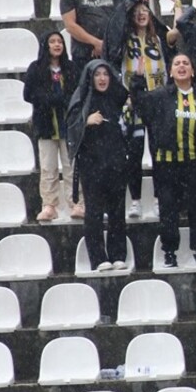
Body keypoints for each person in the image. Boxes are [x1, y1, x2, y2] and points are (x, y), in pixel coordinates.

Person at [130, 52, 196, 268]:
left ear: (193, 70)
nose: (182, 66)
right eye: (177, 63)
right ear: (170, 71)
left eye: (186, 63)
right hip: (167, 164)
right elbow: (139, 104)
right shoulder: (160, 96)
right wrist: (138, 79)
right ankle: (169, 251)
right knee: (168, 210)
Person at [104, 0, 175, 219]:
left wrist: (179, 7)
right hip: (132, 100)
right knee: (133, 153)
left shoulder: (159, 37)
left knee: (159, 152)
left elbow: (176, 38)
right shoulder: (125, 38)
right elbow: (113, 33)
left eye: (144, 11)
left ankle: (157, 198)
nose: (141, 14)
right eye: (136, 12)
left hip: (157, 100)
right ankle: (135, 200)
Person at [66, 60, 129, 272]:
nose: (102, 78)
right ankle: (98, 257)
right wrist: (86, 121)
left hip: (116, 161)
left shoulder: (116, 97)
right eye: (97, 74)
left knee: (117, 211)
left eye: (106, 74)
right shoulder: (82, 98)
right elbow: (71, 130)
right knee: (93, 213)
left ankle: (118, 254)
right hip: (91, 164)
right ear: (90, 78)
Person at [23, 31, 79, 222]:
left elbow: (77, 92)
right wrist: (50, 99)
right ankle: (50, 205)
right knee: (48, 167)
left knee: (71, 165)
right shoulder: (36, 68)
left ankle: (76, 202)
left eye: (59, 41)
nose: (57, 45)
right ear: (45, 45)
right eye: (52, 42)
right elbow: (28, 94)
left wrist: (64, 99)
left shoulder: (70, 68)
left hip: (68, 125)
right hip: (46, 125)